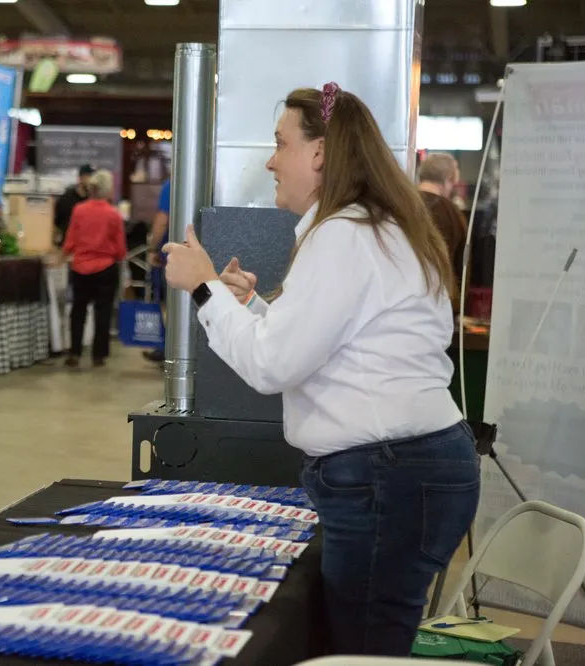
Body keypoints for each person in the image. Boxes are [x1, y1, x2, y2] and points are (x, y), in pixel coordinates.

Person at [163, 83, 479, 656]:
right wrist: (250, 308)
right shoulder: (367, 227)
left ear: (319, 154)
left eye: (280, 143)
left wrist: (205, 289)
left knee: (360, 650)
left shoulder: (345, 235)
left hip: (390, 474)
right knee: (369, 639)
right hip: (404, 468)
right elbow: (326, 348)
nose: (269, 159)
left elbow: (273, 365)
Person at [62, 169, 126, 368]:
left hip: (80, 268)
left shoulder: (79, 210)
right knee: (103, 312)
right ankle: (99, 355)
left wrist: (62, 255)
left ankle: (74, 352)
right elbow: (121, 249)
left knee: (78, 311)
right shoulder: (113, 214)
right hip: (105, 268)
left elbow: (70, 240)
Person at [418, 153, 468, 312]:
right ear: (448, 179)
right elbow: (462, 266)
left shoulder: (399, 205)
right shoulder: (452, 214)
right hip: (438, 303)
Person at [143, 178, 172, 363]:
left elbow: (162, 220)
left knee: (170, 305)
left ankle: (167, 350)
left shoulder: (172, 185)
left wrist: (153, 248)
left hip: (171, 256)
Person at [54, 164, 93, 243]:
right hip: (67, 244)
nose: (91, 181)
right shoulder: (66, 198)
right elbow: (57, 221)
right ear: (80, 178)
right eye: (89, 176)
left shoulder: (93, 199)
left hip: (87, 244)